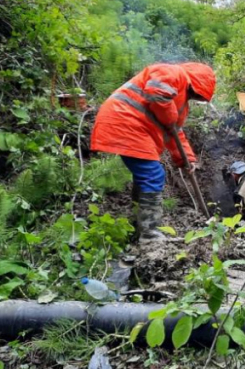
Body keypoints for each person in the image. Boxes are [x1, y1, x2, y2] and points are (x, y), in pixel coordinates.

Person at [91, 62, 216, 241]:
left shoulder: (181, 104)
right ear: (193, 83)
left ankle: (137, 226)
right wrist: (170, 116)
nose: (194, 98)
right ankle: (149, 234)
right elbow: (156, 93)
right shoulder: (174, 73)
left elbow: (175, 133)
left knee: (144, 177)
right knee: (153, 175)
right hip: (125, 120)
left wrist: (187, 160)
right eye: (195, 94)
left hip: (132, 126)